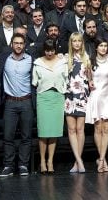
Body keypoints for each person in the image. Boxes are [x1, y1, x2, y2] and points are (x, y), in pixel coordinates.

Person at [0, 34, 34, 177]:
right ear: (11, 44)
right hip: (10, 102)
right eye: (16, 43)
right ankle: (8, 166)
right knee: (8, 136)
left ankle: (23, 165)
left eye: (21, 43)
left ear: (24, 45)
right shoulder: (4, 59)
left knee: (26, 136)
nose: (18, 46)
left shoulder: (31, 59)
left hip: (26, 101)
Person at [32, 38, 68, 174]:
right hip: (43, 97)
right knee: (43, 132)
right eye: (47, 50)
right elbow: (35, 82)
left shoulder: (62, 62)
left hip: (58, 97)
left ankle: (50, 161)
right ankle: (42, 161)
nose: (49, 53)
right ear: (44, 50)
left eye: (52, 50)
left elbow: (66, 79)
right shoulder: (38, 63)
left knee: (54, 132)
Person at [85, 38, 108, 173]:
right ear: (96, 48)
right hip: (96, 96)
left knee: (107, 128)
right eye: (101, 46)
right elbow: (89, 79)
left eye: (105, 45)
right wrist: (89, 82)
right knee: (98, 129)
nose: (103, 48)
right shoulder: (89, 61)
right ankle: (102, 160)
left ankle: (102, 160)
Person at [65, 32, 93, 173]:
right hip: (69, 97)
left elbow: (90, 80)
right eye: (74, 41)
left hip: (82, 96)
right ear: (71, 43)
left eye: (79, 41)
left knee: (80, 129)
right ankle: (79, 161)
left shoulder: (87, 59)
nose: (76, 43)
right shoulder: (65, 58)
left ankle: (78, 162)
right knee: (71, 129)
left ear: (82, 43)